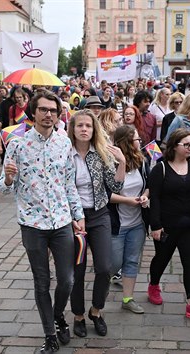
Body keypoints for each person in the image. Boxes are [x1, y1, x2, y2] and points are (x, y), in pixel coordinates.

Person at [0, 91, 85, 352]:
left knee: (67, 279)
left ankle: (58, 314)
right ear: (33, 112)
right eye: (43, 110)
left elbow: (69, 184)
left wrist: (77, 215)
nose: (48, 115)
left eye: (53, 111)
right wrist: (10, 178)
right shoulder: (17, 145)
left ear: (59, 115)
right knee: (41, 281)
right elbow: (3, 188)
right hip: (32, 222)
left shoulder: (64, 144)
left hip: (61, 220)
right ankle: (49, 333)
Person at [68, 110, 126, 338]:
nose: (84, 129)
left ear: (94, 130)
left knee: (105, 267)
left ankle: (96, 310)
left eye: (88, 126)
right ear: (72, 129)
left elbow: (116, 186)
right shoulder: (64, 154)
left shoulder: (100, 153)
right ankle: (79, 315)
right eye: (80, 125)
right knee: (77, 271)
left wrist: (121, 162)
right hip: (74, 219)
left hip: (99, 215)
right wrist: (71, 217)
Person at [147, 129, 190, 321]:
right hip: (167, 226)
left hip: (189, 227)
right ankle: (154, 284)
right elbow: (154, 198)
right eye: (187, 144)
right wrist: (155, 226)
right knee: (161, 259)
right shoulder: (161, 169)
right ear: (174, 146)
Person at [108, 125, 150, 315]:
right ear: (126, 141)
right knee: (113, 263)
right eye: (136, 139)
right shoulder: (109, 162)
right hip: (116, 225)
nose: (139, 142)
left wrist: (145, 196)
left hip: (137, 224)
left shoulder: (141, 160)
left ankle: (128, 299)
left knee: (131, 261)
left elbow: (148, 185)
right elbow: (106, 194)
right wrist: (127, 201)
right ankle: (101, 291)